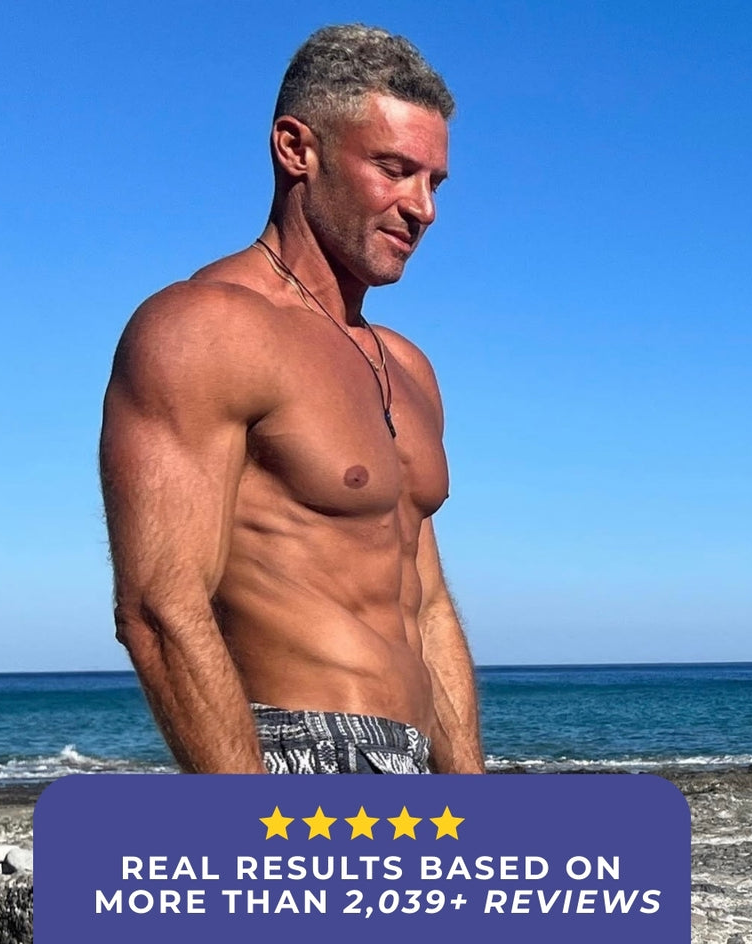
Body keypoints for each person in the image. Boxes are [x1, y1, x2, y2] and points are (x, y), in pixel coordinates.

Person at [99, 24, 484, 775]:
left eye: (434, 181)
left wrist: (471, 806)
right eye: (394, 169)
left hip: (413, 770)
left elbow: (427, 605)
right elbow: (158, 607)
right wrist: (253, 835)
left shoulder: (406, 365)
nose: (423, 207)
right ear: (296, 149)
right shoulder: (203, 327)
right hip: (290, 761)